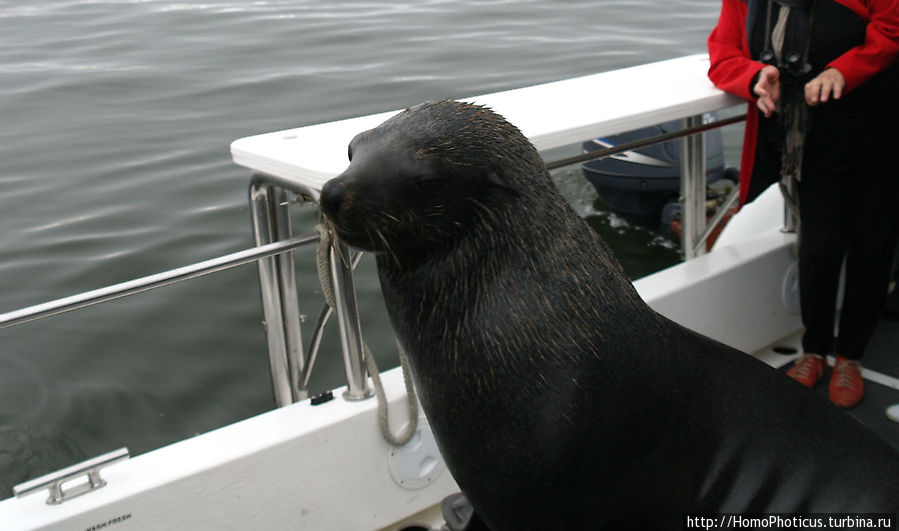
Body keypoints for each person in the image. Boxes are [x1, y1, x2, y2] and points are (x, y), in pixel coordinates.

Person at [707, 0, 899, 407]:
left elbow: (893, 26)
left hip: (880, 132)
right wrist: (757, 75)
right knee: (819, 248)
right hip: (811, 142)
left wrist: (842, 70)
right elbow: (723, 58)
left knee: (874, 245)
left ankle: (850, 356)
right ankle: (815, 350)